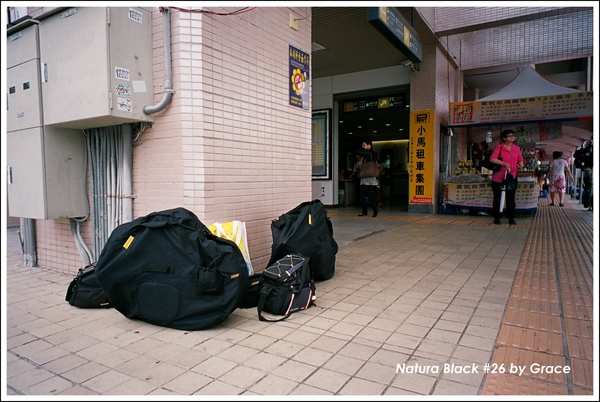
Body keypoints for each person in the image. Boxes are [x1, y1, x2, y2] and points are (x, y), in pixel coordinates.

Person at [489, 129, 524, 225]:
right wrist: (503, 163)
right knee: (497, 197)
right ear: (504, 138)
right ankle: (497, 217)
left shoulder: (516, 148)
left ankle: (511, 217)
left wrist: (520, 165)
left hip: (511, 176)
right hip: (499, 177)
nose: (512, 137)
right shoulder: (499, 148)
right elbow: (492, 159)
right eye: (509, 135)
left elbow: (520, 160)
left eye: (513, 135)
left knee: (511, 198)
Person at [356, 140, 380, 217]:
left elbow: (358, 151)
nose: (363, 147)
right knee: (369, 195)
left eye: (364, 145)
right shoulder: (373, 153)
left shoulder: (369, 154)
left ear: (369, 145)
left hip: (366, 177)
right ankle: (375, 210)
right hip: (372, 177)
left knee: (364, 195)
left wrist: (364, 149)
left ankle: (364, 211)